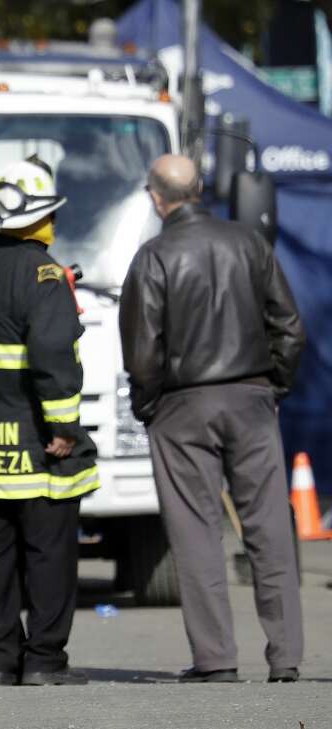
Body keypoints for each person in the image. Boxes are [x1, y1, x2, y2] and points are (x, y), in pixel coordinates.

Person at [119, 154, 305, 683]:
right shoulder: (249, 243)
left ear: (157, 198)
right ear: (199, 188)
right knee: (268, 526)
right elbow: (289, 328)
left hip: (182, 405)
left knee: (196, 533)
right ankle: (286, 656)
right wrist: (274, 386)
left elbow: (143, 351)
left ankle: (216, 658)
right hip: (250, 398)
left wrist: (148, 404)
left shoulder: (153, 257)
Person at [0, 156, 99, 686]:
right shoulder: (43, 274)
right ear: (31, 219)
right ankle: (43, 660)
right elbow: (53, 352)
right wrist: (64, 427)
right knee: (48, 553)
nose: (54, 224)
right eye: (47, 214)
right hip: (38, 441)